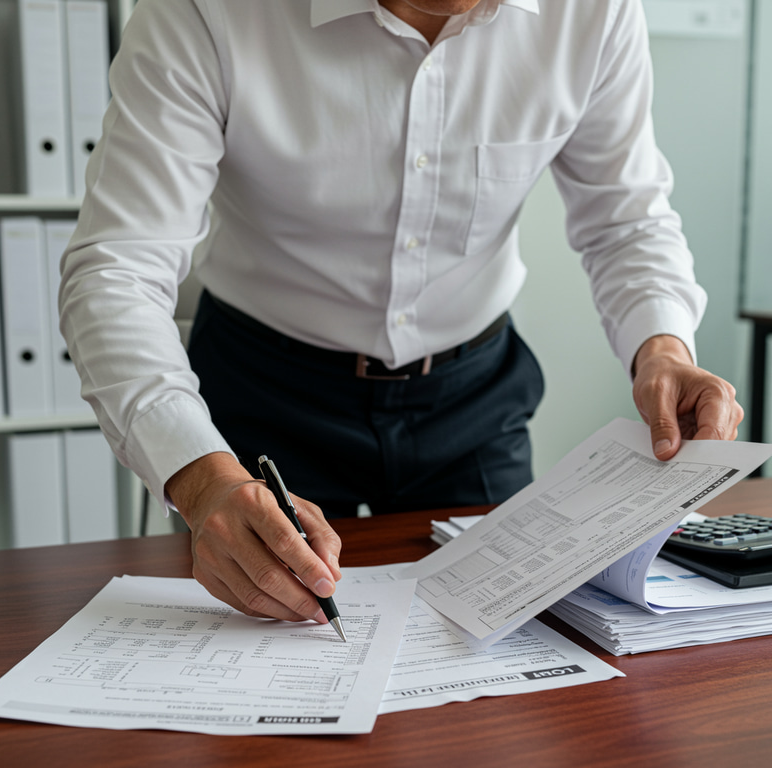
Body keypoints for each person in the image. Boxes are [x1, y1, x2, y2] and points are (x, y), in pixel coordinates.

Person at [59, 0, 743, 629]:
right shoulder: (206, 10)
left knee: (504, 653)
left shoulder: (590, 11)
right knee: (267, 667)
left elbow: (625, 220)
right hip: (261, 397)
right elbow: (117, 269)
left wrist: (664, 349)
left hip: (469, 398)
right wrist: (203, 480)